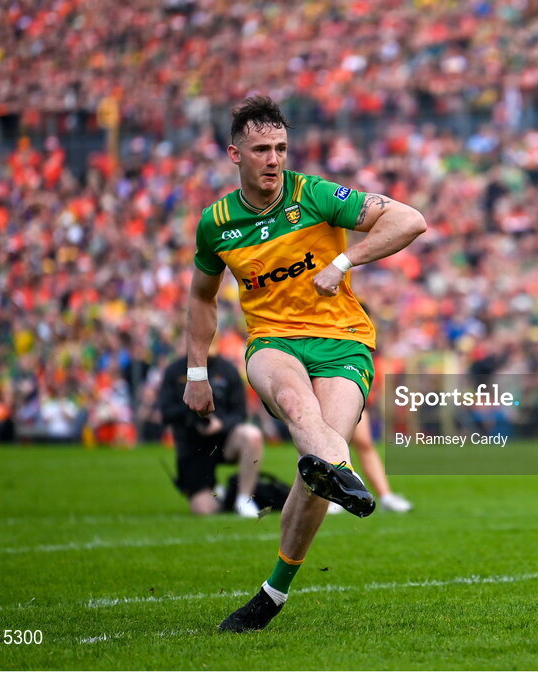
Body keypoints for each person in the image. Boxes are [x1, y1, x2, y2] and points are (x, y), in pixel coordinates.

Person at [182, 95, 426, 632]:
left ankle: (273, 592)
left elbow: (411, 220)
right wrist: (196, 371)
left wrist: (344, 260)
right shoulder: (216, 223)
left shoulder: (314, 195)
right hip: (274, 341)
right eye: (262, 149)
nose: (274, 159)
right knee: (297, 407)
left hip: (343, 341)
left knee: (316, 468)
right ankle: (346, 474)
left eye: (281, 148)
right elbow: (202, 298)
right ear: (234, 154)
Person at [160, 353, 264, 517]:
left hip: (223, 439)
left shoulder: (228, 369)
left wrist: (220, 424)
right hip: (193, 446)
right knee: (204, 509)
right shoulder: (174, 370)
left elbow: (240, 413)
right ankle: (220, 493)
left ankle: (244, 499)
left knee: (252, 434)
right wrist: (191, 411)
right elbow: (165, 413)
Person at [328, 409, 413, 514]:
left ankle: (386, 497)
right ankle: (329, 497)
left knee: (364, 442)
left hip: (344, 396)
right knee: (328, 442)